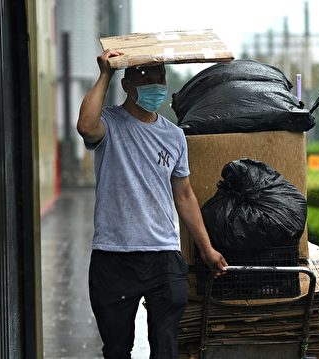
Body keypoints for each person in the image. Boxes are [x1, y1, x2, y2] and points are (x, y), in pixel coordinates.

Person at [77, 48, 227, 359]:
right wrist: (105, 73)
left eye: (159, 77)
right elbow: (85, 126)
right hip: (114, 255)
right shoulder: (109, 124)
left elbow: (184, 195)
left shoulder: (173, 136)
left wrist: (206, 248)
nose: (154, 84)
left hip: (163, 255)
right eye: (144, 77)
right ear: (126, 85)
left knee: (167, 346)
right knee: (117, 349)